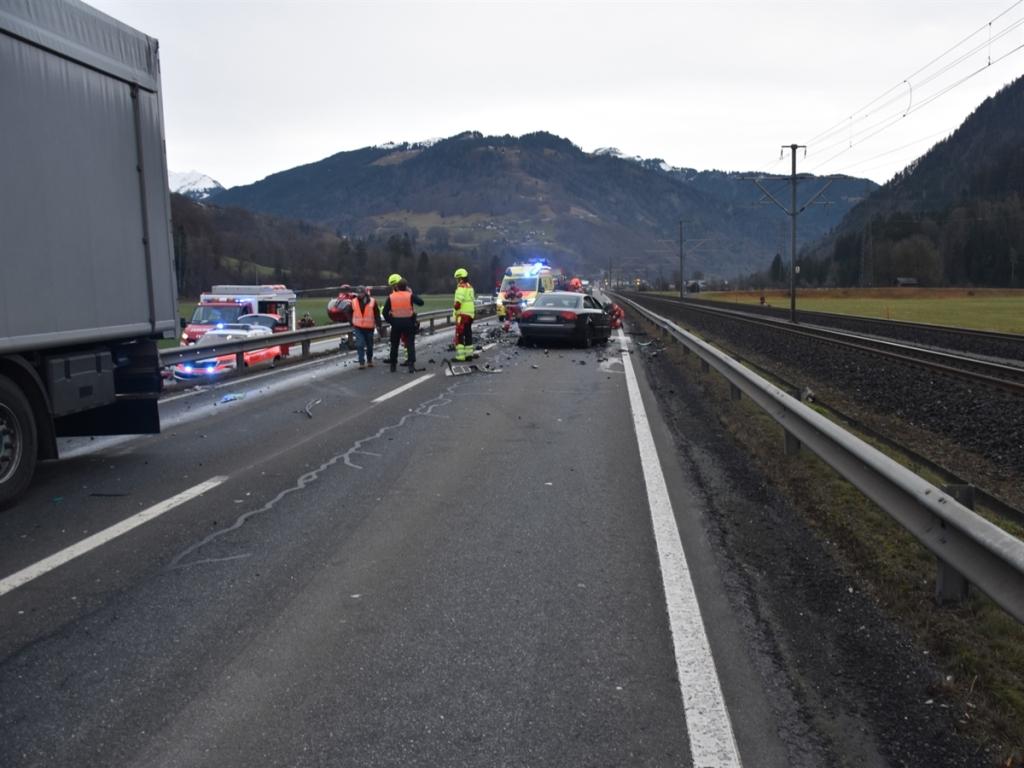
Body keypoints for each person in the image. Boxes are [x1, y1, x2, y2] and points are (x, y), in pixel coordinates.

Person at [383, 275, 423, 372]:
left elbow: (384, 312)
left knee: (394, 345)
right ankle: (411, 365)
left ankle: (393, 365)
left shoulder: (391, 297)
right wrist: (411, 294)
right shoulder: (409, 295)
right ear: (406, 286)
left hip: (396, 323)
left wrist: (391, 321)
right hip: (408, 323)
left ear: (397, 286)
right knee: (410, 344)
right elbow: (421, 302)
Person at [350, 286, 379, 369]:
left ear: (365, 293)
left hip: (369, 327)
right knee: (360, 344)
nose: (360, 294)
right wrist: (351, 321)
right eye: (358, 293)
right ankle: (361, 362)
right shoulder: (353, 302)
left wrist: (378, 324)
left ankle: (369, 360)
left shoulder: (372, 301)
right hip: (358, 327)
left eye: (361, 293)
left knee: (369, 346)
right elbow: (349, 312)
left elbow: (376, 313)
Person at [452, 267, 475, 361]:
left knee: (460, 334)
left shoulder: (461, 287)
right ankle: (469, 355)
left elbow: (458, 304)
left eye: (457, 279)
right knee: (468, 334)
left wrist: (455, 307)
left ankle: (460, 356)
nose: (457, 281)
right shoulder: (470, 287)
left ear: (460, 278)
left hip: (462, 315)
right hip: (470, 315)